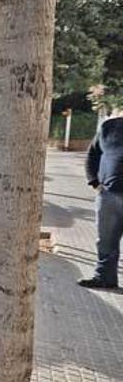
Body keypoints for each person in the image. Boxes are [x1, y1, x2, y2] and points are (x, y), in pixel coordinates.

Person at [80, 108, 123, 289]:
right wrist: (94, 182)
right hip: (108, 195)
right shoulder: (108, 127)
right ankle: (104, 278)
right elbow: (92, 155)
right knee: (105, 240)